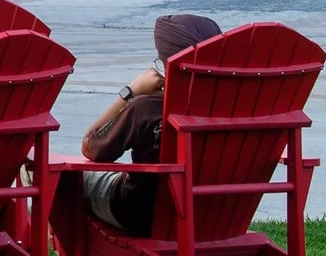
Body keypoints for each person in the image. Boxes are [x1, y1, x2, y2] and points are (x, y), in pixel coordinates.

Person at [80, 14, 221, 232]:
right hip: (212, 214)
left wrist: (130, 92)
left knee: (50, 175)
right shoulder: (236, 110)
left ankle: (70, 253)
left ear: (168, 63)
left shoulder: (146, 109)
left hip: (142, 214)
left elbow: (91, 146)